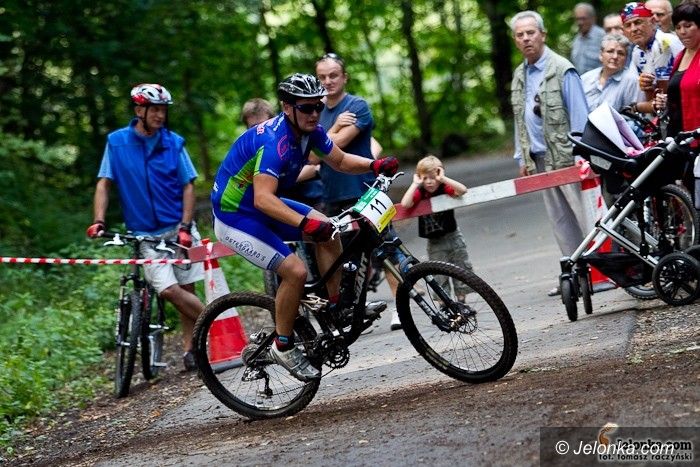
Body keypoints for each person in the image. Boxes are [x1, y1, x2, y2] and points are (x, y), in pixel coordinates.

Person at [210, 73, 398, 381]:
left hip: (261, 204)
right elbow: (263, 199)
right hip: (236, 216)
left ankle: (338, 309)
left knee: (328, 229)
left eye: (318, 106)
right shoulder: (274, 142)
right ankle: (283, 346)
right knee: (295, 271)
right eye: (306, 108)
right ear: (287, 108)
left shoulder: (311, 131)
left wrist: (373, 165)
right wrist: (304, 222)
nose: (314, 113)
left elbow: (339, 160)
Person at [86, 83, 205, 371]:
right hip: (146, 235)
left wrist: (185, 226)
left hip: (178, 227)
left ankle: (191, 350)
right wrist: (99, 220)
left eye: (163, 110)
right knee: (169, 290)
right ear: (139, 110)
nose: (160, 115)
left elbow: (189, 186)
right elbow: (104, 183)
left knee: (187, 287)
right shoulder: (117, 143)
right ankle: (217, 320)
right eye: (155, 110)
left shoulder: (174, 143)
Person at [314, 52, 405, 331]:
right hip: (332, 194)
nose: (328, 81)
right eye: (322, 77)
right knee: (347, 259)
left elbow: (332, 149)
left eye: (333, 75)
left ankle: (401, 308)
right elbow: (313, 154)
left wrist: (327, 135)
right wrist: (334, 127)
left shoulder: (357, 106)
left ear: (344, 77)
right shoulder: (315, 111)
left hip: (365, 189)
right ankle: (354, 313)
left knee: (386, 249)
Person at [510, 11, 591, 297]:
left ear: (543, 35)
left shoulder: (562, 68)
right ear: (515, 40)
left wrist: (582, 155)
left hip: (568, 157)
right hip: (540, 159)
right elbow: (520, 118)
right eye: (520, 35)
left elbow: (580, 116)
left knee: (584, 216)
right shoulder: (519, 74)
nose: (526, 39)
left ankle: (598, 272)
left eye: (531, 33)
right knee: (560, 221)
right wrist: (522, 156)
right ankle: (574, 273)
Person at [400, 155, 473, 301]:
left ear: (439, 174)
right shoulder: (420, 192)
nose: (429, 181)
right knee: (439, 275)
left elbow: (462, 190)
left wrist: (443, 179)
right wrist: (415, 184)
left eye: (433, 177)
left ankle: (462, 301)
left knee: (460, 269)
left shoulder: (444, 188)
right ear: (419, 177)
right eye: (425, 178)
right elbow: (405, 204)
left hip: (453, 236)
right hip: (435, 242)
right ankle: (444, 304)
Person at [653, 0, 700, 205]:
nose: (682, 31)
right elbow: (679, 90)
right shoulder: (681, 56)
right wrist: (665, 99)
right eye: (678, 27)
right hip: (681, 138)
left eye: (688, 25)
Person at [622, 2, 683, 113]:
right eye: (628, 25)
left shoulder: (663, 43)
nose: (633, 29)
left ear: (652, 22)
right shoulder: (637, 52)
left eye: (638, 22)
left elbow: (663, 97)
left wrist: (636, 107)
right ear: (624, 31)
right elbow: (652, 98)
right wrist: (647, 87)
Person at [581, 33, 639, 111]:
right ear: (601, 55)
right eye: (610, 51)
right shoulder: (585, 78)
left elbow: (631, 115)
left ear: (626, 58)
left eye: (620, 53)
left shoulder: (631, 81)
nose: (615, 56)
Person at [572, 3, 607, 74]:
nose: (580, 22)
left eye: (583, 19)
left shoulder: (603, 37)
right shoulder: (577, 39)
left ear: (593, 18)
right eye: (577, 19)